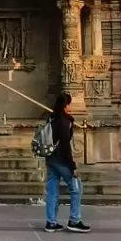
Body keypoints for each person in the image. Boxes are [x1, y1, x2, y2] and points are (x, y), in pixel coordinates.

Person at [45, 91, 90, 233]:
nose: (69, 108)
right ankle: (74, 220)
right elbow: (65, 145)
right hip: (61, 159)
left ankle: (51, 222)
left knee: (52, 190)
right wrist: (72, 165)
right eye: (68, 104)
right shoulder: (66, 121)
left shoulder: (51, 119)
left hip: (50, 158)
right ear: (65, 105)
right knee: (76, 187)